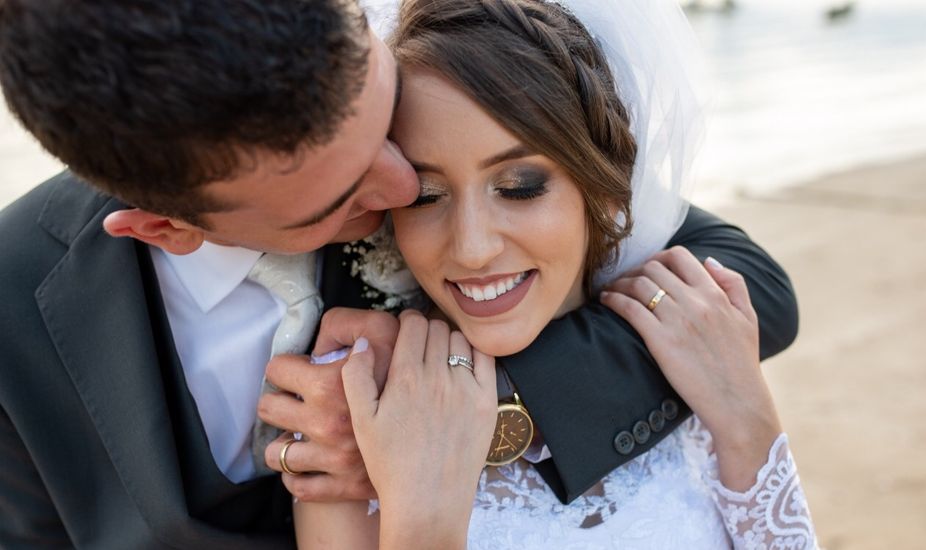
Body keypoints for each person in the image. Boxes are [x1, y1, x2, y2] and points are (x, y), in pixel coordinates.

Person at [0, 0, 797, 547]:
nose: (401, 185)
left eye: (382, 115)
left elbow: (750, 281)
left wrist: (479, 418)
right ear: (164, 228)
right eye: (340, 197)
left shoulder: (424, 92)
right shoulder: (15, 307)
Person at [293, 0, 816, 548]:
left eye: (518, 186)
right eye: (426, 195)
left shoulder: (696, 337)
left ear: (609, 187)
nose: (472, 249)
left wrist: (747, 417)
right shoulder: (350, 403)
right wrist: (423, 521)